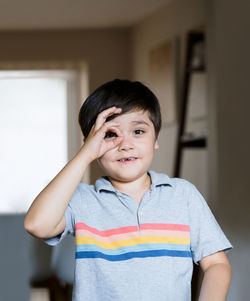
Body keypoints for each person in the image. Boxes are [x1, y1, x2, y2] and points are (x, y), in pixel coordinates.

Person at [24, 79, 232, 301]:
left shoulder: (183, 195)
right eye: (110, 134)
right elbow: (37, 225)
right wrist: (85, 154)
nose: (126, 145)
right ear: (91, 143)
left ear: (156, 138)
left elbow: (216, 264)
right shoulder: (83, 200)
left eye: (138, 131)